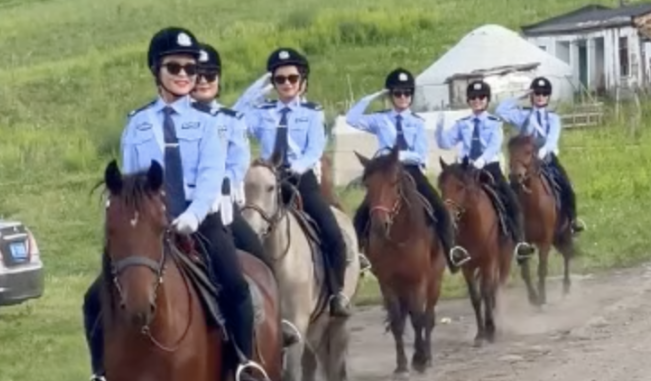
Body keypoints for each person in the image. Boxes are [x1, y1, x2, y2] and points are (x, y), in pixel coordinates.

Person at [66, 27, 273, 381]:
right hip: (152, 228)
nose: (184, 75)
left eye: (191, 69)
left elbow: (212, 175)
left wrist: (193, 217)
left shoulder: (209, 122)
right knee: (95, 298)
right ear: (155, 70)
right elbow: (130, 181)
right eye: (174, 67)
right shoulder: (138, 125)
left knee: (234, 284)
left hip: (201, 221)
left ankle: (245, 365)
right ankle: (104, 379)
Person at [193, 43, 299, 344]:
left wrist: (209, 187)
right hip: (175, 212)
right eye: (198, 74)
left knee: (260, 258)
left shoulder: (230, 120)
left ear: (218, 79)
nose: (203, 80)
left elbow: (237, 164)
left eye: (210, 75)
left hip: (221, 211)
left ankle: (274, 327)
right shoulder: (168, 119)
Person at [240, 47, 351, 317]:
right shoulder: (263, 112)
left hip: (301, 180)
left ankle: (337, 293)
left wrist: (295, 169)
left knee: (332, 232)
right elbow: (235, 118)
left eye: (292, 78)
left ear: (302, 81)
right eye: (279, 79)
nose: (286, 84)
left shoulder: (312, 113)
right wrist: (257, 89)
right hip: (267, 183)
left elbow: (315, 149)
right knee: (245, 229)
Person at [346, 67, 469, 273]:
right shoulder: (380, 119)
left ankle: (451, 251)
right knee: (364, 211)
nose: (403, 97)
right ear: (391, 96)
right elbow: (351, 118)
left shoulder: (417, 122)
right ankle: (360, 255)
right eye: (397, 93)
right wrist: (372, 97)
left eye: (407, 93)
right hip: (386, 172)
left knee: (438, 207)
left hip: (411, 171)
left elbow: (420, 153)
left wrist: (401, 156)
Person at [435, 80, 534, 264]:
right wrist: (439, 128)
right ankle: (453, 247)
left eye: (481, 97)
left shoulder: (494, 122)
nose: (477, 100)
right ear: (468, 100)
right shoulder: (462, 124)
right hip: (465, 170)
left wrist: (481, 160)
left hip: (489, 169)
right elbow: (445, 143)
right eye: (473, 97)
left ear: (487, 100)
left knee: (512, 202)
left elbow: (494, 144)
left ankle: (519, 243)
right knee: (449, 202)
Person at [495, 76, 584, 234]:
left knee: (566, 184)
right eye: (537, 93)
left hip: (547, 159)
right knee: (511, 188)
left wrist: (544, 150)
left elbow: (552, 138)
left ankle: (571, 219)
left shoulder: (553, 118)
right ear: (532, 96)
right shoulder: (523, 116)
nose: (540, 96)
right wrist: (518, 98)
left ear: (548, 97)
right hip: (526, 161)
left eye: (544, 93)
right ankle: (510, 225)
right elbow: (500, 111)